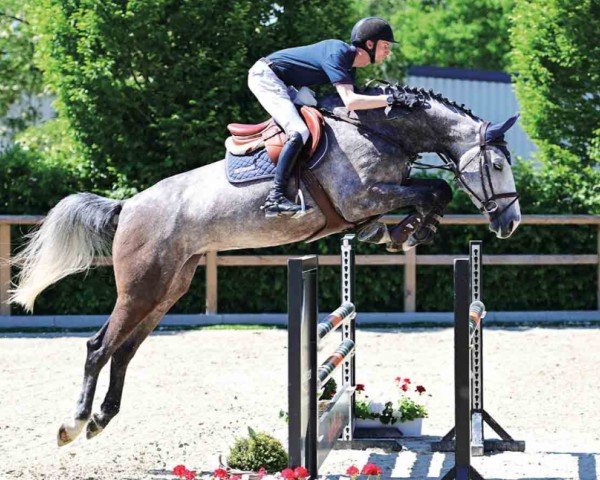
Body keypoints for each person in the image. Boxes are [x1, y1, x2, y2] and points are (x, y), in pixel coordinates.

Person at [248, 17, 399, 218]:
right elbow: (351, 101)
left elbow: (352, 106)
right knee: (299, 131)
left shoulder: (348, 65)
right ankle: (274, 198)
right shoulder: (339, 53)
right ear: (369, 44)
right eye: (386, 45)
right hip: (266, 77)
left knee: (319, 111)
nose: (388, 51)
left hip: (286, 84)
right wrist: (390, 99)